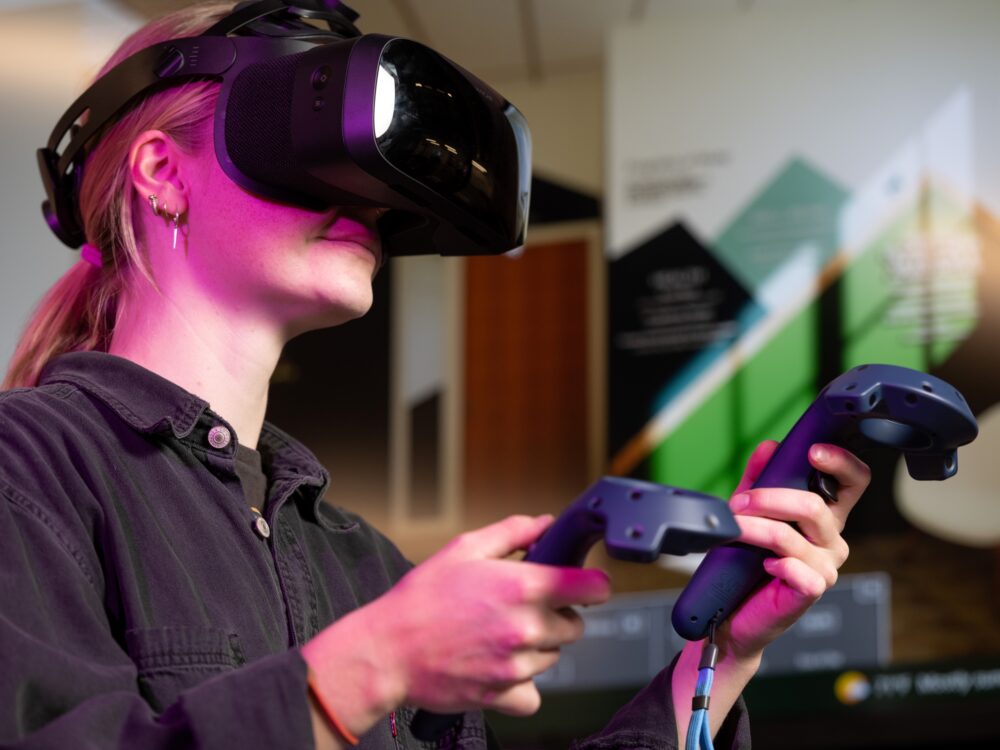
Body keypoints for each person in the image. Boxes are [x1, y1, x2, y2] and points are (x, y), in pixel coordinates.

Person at [0, 2, 871, 748]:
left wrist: (723, 652)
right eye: (312, 145)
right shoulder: (27, 470)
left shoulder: (364, 566)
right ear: (161, 172)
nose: (372, 198)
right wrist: (375, 663)